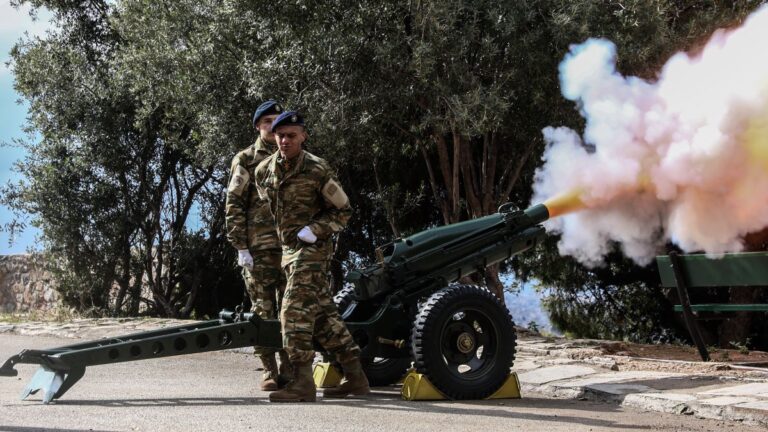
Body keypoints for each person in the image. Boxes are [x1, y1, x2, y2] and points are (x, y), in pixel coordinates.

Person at [254, 110, 370, 402]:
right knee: (323, 318)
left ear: (303, 136)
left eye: (291, 135)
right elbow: (269, 207)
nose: (285, 140)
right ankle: (357, 378)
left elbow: (343, 211)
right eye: (280, 135)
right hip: (288, 252)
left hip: (313, 250)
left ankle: (302, 382)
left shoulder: (317, 169)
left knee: (291, 310)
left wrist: (316, 229)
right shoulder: (264, 171)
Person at [225, 99, 291, 391]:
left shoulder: (292, 154)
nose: (272, 126)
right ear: (258, 126)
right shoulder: (246, 158)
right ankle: (269, 371)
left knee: (291, 310)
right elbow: (234, 203)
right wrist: (240, 246)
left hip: (290, 248)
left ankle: (290, 370)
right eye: (267, 122)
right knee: (263, 311)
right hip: (258, 249)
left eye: (277, 121)